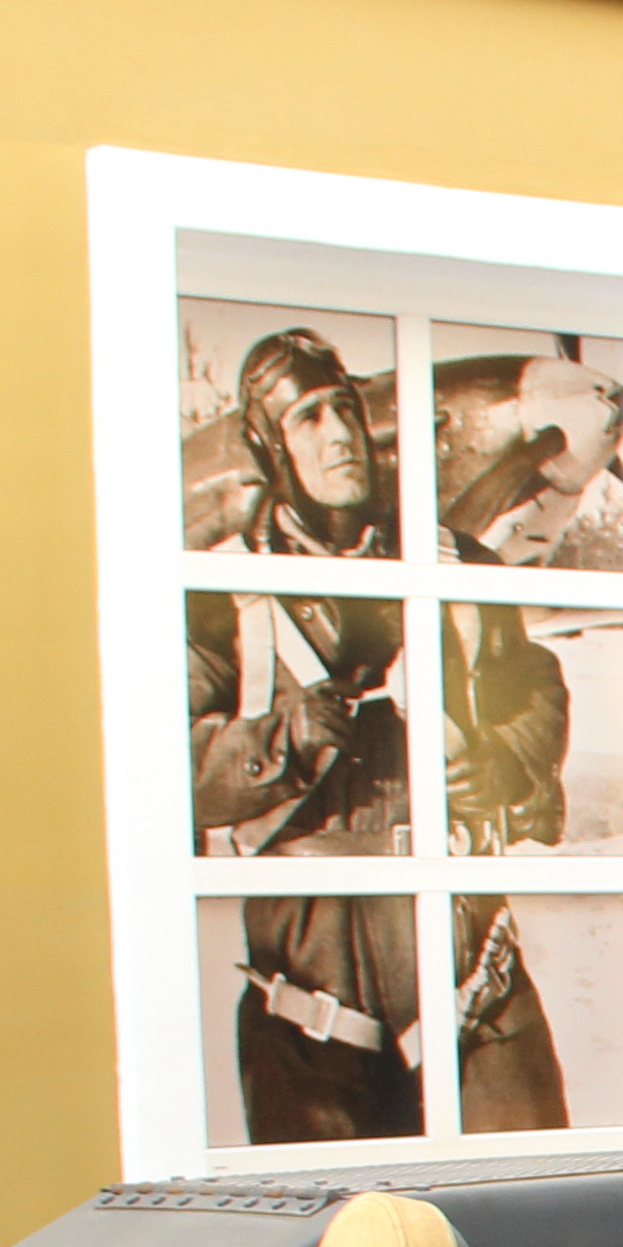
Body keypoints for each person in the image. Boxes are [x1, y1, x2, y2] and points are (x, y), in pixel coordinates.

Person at [185, 328, 418, 1144]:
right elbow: (166, 767)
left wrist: (503, 756)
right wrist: (281, 742)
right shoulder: (220, 591)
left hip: (464, 1011)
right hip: (304, 1035)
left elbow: (530, 686)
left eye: (346, 409)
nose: (340, 434)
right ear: (268, 445)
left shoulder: (435, 560)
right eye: (309, 417)